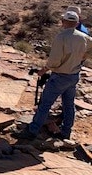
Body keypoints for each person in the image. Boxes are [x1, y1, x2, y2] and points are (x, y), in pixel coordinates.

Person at [13, 10, 92, 141]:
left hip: (60, 76)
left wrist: (44, 69)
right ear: (77, 23)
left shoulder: (61, 37)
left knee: (45, 104)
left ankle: (32, 131)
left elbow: (54, 60)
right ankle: (66, 132)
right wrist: (83, 56)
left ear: (63, 22)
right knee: (68, 104)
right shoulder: (84, 37)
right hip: (73, 76)